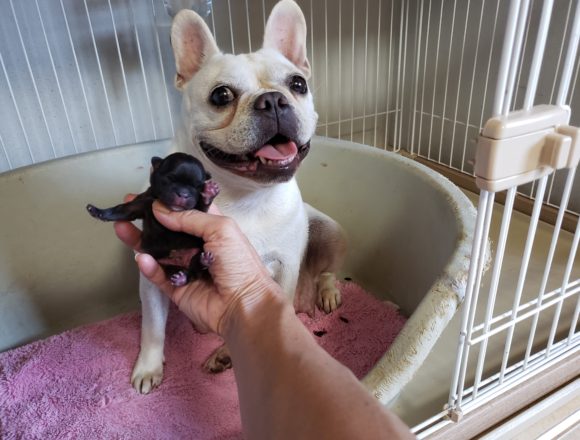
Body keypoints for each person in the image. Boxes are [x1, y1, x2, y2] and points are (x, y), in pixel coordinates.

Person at [114, 200, 414, 439]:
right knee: (154, 264)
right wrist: (152, 349)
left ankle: (324, 277)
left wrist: (318, 284)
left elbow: (285, 262)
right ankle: (153, 350)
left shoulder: (285, 209)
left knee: (331, 232)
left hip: (281, 269)